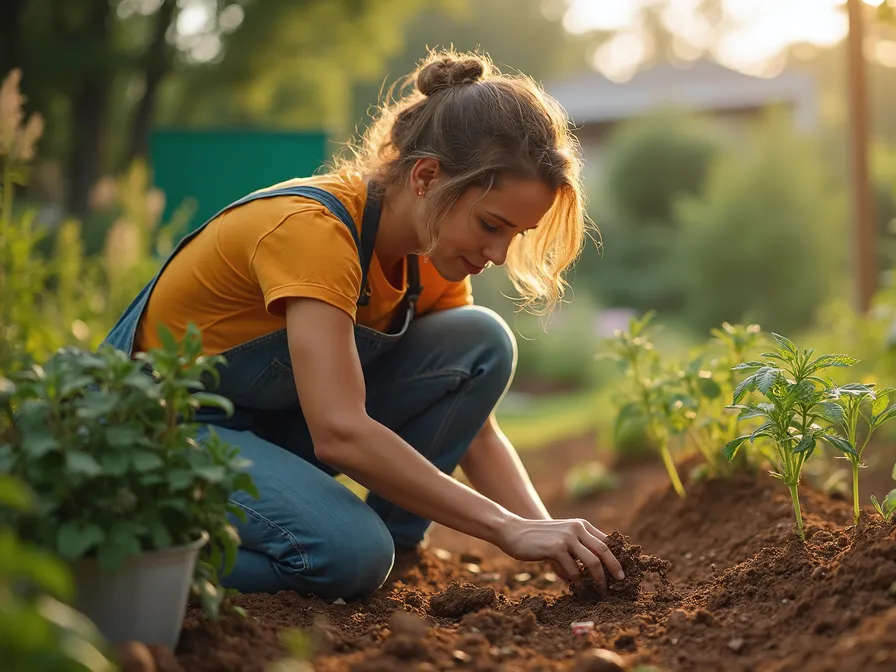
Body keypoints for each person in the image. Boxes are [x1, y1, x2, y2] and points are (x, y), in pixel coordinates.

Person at [100, 49, 624, 601]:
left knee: (481, 341)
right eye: (491, 225)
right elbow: (340, 431)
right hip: (168, 436)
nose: (497, 253)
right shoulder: (313, 232)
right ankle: (132, 553)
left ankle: (397, 555)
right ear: (427, 177)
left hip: (261, 430)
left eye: (514, 236)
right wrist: (504, 528)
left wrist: (550, 538)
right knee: (350, 556)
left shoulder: (431, 256)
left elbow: (477, 430)